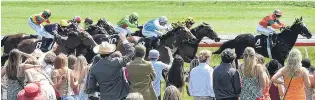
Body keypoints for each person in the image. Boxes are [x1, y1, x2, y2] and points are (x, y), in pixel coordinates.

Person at [86, 33, 135, 100]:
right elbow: (131, 52)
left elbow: (91, 87)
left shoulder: (94, 68)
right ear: (111, 51)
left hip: (105, 97)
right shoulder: (117, 62)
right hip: (121, 96)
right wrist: (124, 40)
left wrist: (103, 86)